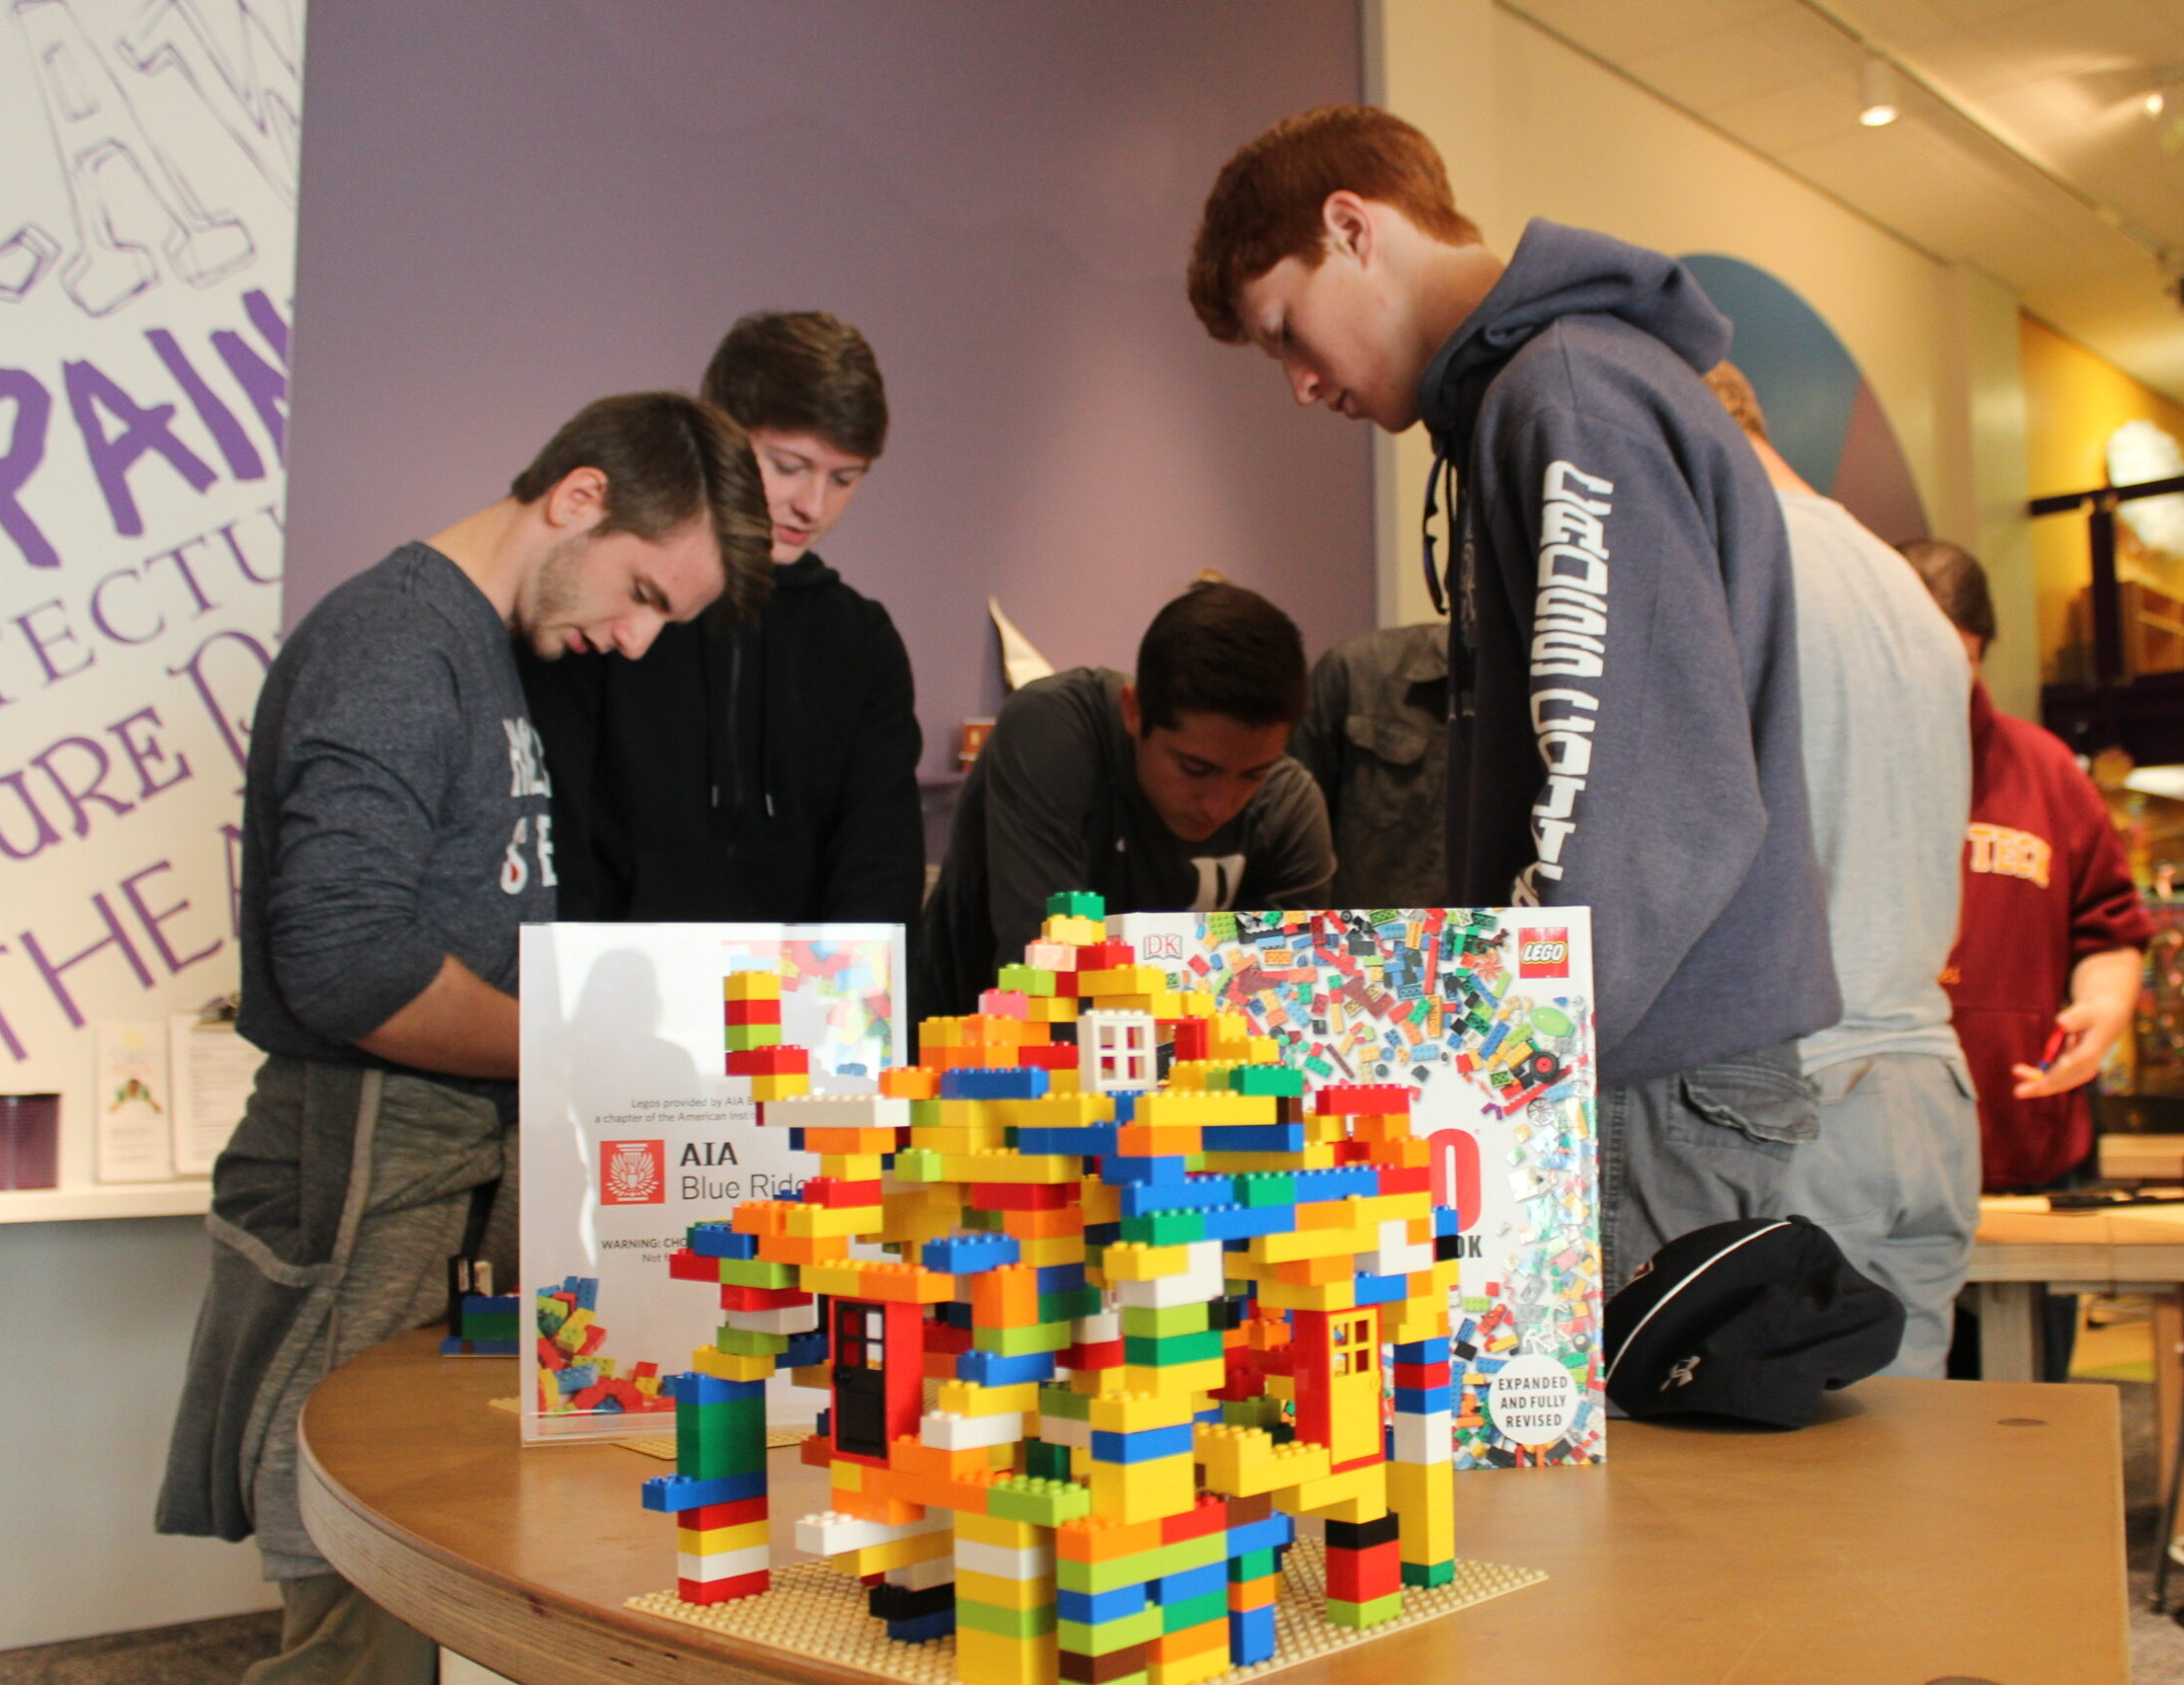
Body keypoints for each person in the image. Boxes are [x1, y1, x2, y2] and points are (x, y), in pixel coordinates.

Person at [157, 393, 770, 1684]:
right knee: (351, 1575)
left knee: (431, 1556)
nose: (638, 639)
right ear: (580, 498)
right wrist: (579, 1048)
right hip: (366, 1168)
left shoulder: (484, 650)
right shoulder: (395, 643)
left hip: (450, 1176)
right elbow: (348, 962)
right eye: (647, 593)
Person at [1189, 106, 1839, 1288]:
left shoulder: (1569, 402)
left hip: (1642, 1071)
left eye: (1284, 328)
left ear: (1352, 228)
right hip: (1644, 1056)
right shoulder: (1549, 395)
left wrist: (1505, 1064)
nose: (1296, 383)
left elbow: (1629, 790)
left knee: (1622, 1476)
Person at [1702, 364, 1975, 1378]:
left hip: (1807, 1090)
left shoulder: (1740, 561)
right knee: (1911, 1479)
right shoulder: (1903, 585)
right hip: (1929, 1089)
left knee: (1779, 1503)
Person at [520, 312, 924, 928]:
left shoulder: (861, 641)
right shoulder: (608, 604)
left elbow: (880, 862)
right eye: (788, 466)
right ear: (719, 435)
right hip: (616, 991)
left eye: (844, 478)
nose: (812, 504)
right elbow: (561, 830)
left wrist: (858, 1011)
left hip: (808, 1006)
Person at [1902, 540, 2153, 1383]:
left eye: (1957, 657)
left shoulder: (2044, 768)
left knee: (2028, 1407)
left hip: (2030, 1149)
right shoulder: (1841, 761)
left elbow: (2110, 928)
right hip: (1884, 1160)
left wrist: (2104, 1010)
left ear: (1982, 649)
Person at [916, 581, 1333, 1018]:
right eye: (1196, 769)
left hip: (1196, 1076)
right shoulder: (1052, 734)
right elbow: (1043, 979)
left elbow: (1287, 1015)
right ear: (1133, 711)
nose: (1219, 805)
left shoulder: (1290, 805)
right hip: (974, 1064)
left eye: (1254, 774)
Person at [1287, 621, 1448, 907]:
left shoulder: (1545, 702)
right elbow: (1287, 839)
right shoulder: (1356, 669)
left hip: (1499, 940)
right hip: (1351, 942)